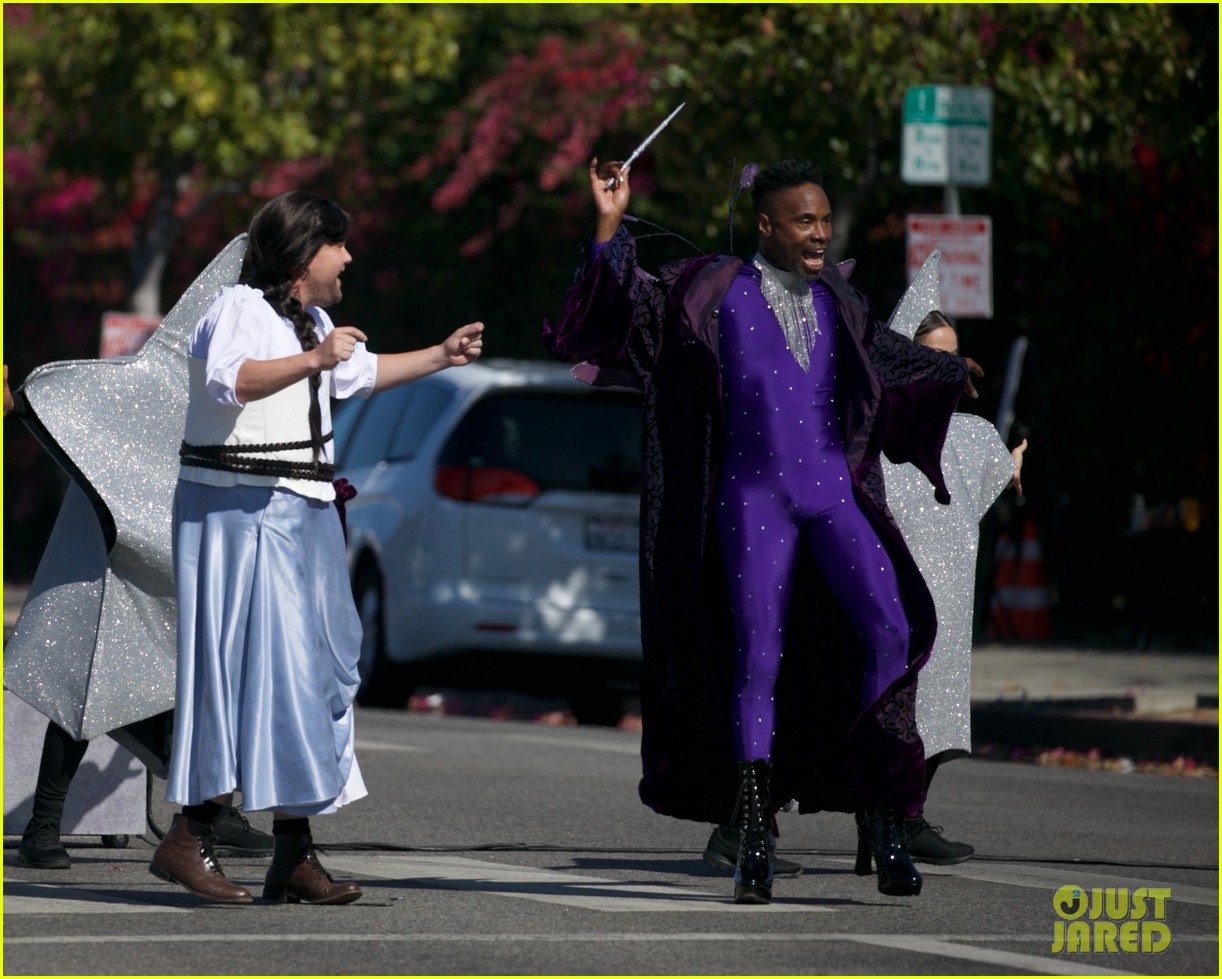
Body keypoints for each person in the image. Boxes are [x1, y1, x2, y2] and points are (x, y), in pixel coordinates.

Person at [544, 158, 977, 904]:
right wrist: (610, 224)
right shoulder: (707, 290)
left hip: (834, 498)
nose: (820, 232)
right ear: (768, 224)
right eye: (804, 220)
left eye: (824, 219)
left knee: (891, 629)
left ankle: (883, 821)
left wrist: (946, 371)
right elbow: (618, 315)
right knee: (758, 658)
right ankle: (750, 831)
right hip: (751, 503)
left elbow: (886, 358)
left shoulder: (839, 297)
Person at [151, 191, 484, 905]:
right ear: (305, 255)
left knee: (311, 677)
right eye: (339, 244)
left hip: (300, 510)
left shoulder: (314, 322)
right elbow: (230, 379)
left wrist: (440, 356)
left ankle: (293, 852)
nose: (350, 257)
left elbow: (356, 374)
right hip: (241, 513)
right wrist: (312, 358)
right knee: (249, 675)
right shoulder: (239, 308)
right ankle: (189, 835)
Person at [881, 309, 1027, 864]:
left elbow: (991, 477)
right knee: (886, 707)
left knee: (938, 712)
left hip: (950, 599)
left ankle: (907, 819)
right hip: (893, 593)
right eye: (935, 357)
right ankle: (886, 820)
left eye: (955, 357)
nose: (951, 369)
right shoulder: (881, 426)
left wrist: (1011, 468)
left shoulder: (973, 433)